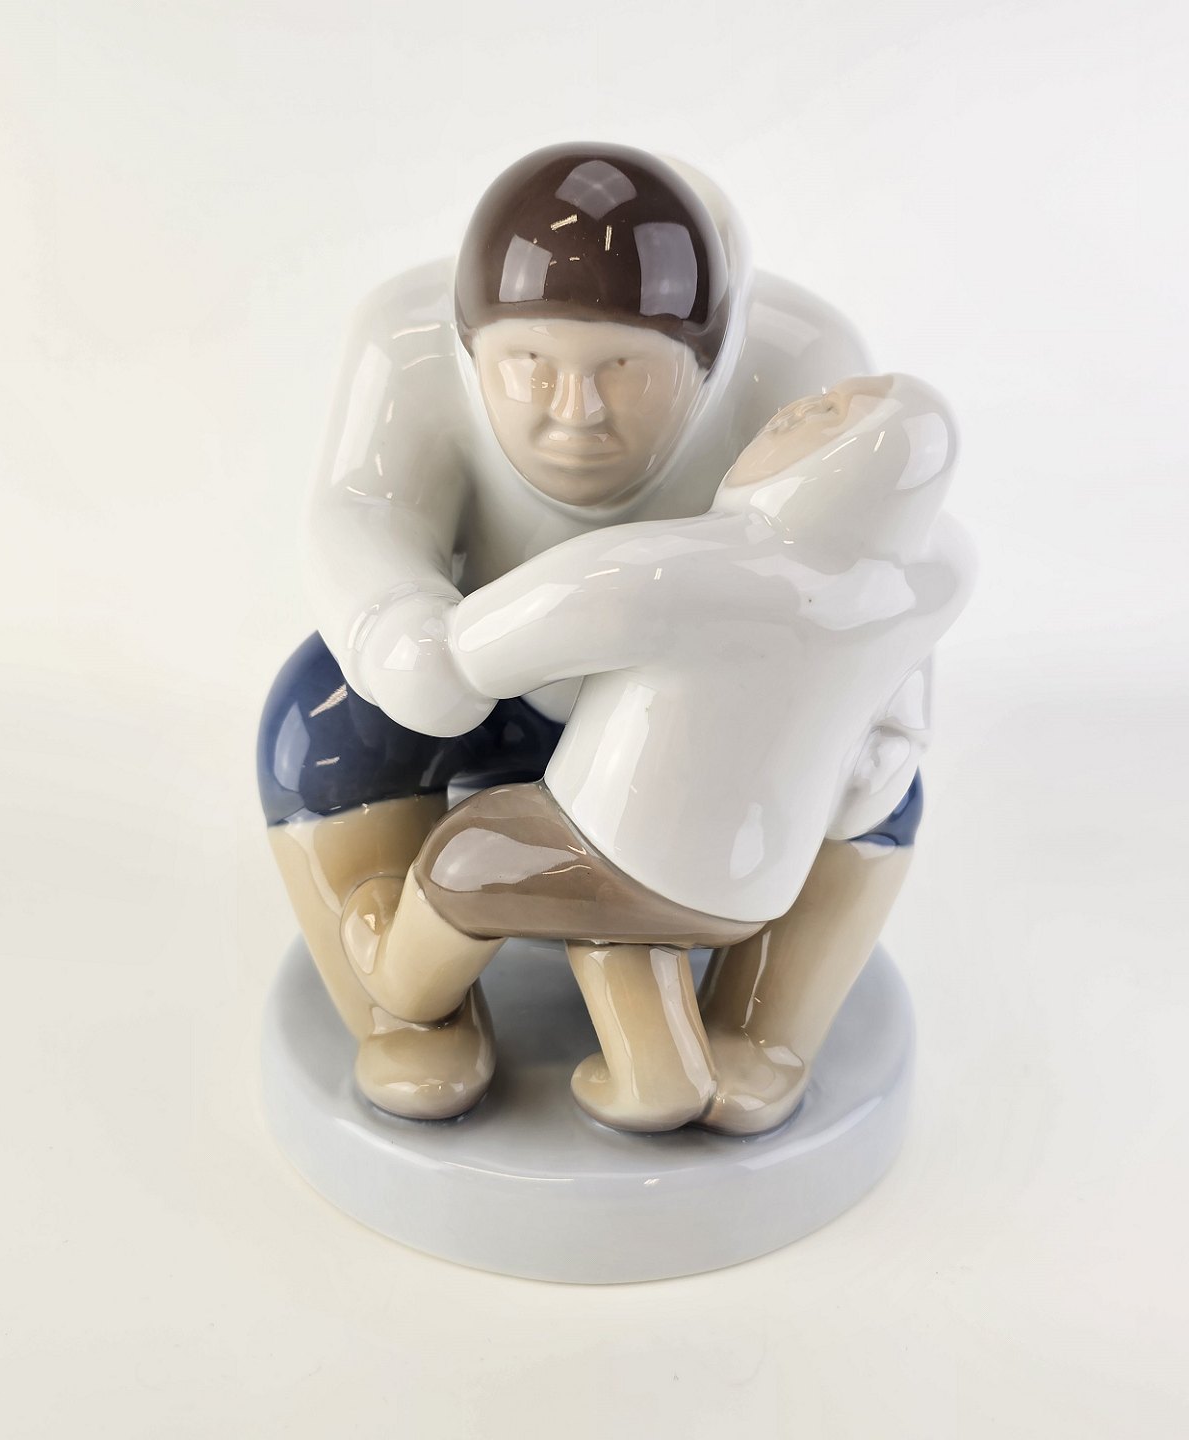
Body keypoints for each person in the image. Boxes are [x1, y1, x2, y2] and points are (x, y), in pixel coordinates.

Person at [258, 142, 872, 1119]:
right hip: (481, 679)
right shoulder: (403, 340)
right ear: (471, 350)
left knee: (866, 776)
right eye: (530, 367)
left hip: (710, 714)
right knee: (318, 720)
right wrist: (393, 629)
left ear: (708, 362)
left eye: (622, 370)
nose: (575, 413)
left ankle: (764, 1023)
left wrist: (887, 729)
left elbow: (866, 562)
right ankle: (407, 1011)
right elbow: (362, 507)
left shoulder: (803, 367)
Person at [347, 375, 974, 1133]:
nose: (793, 411)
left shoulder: (678, 568)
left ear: (835, 468)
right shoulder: (931, 579)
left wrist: (433, 649)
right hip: (760, 887)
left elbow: (487, 643)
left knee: (469, 856)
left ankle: (402, 986)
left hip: (599, 848)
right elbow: (902, 707)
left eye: (826, 416)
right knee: (623, 923)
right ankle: (658, 1074)